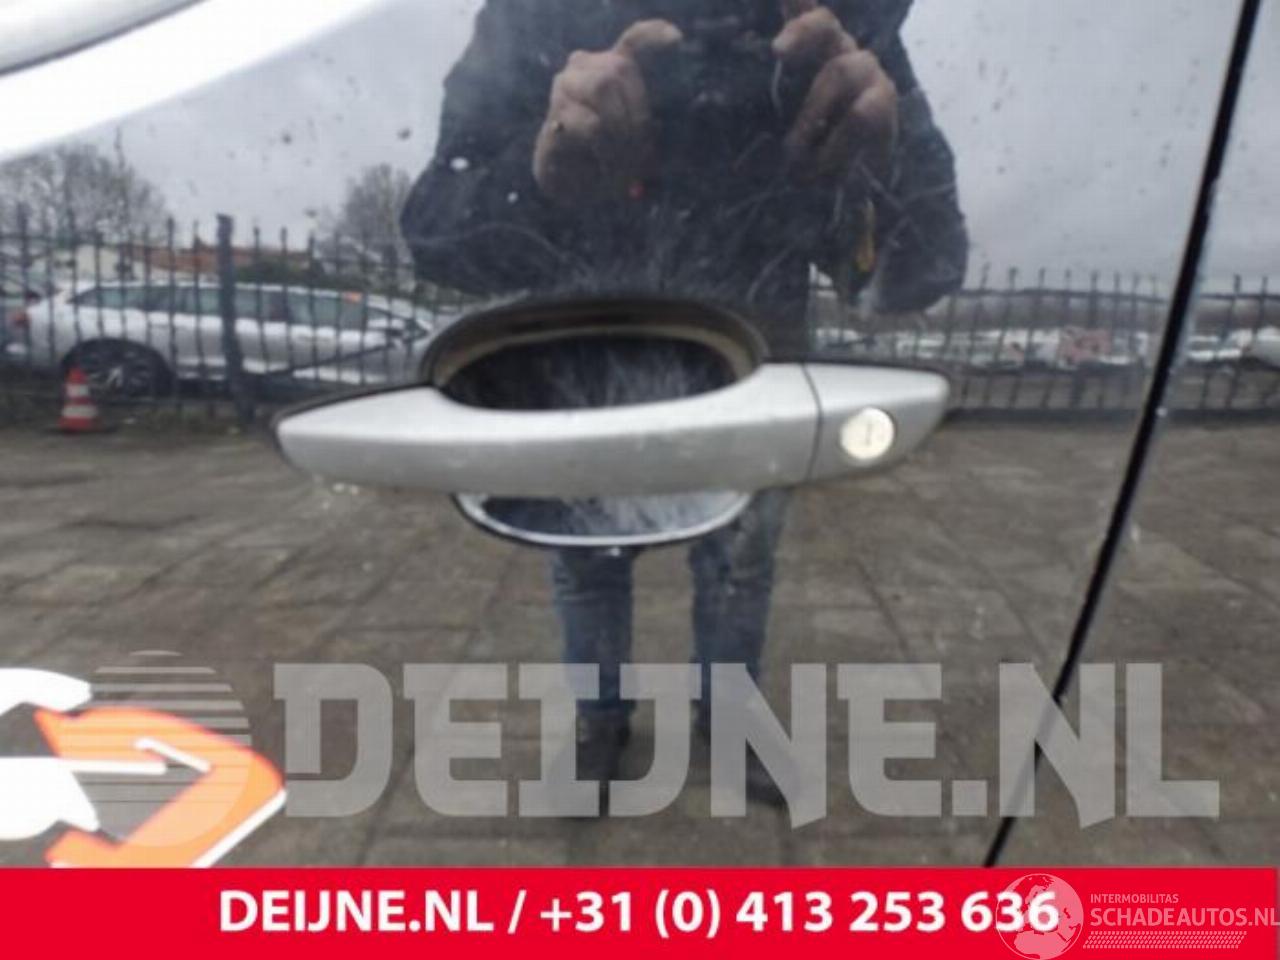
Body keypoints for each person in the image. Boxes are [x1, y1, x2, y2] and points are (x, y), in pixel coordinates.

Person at [402, 0, 968, 803]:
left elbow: (927, 265)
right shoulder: (540, 12)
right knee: (589, 561)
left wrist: (885, 154)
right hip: (595, 372)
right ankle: (602, 722)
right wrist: (540, 171)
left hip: (748, 370)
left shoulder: (824, 18)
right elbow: (433, 232)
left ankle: (723, 719)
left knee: (738, 563)